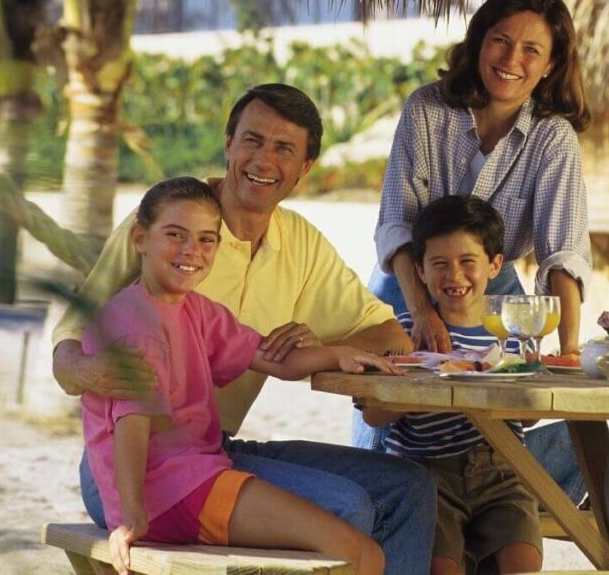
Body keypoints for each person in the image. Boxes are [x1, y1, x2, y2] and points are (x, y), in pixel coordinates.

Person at [52, 84, 436, 574]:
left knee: (409, 488)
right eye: (252, 140)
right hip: (139, 470)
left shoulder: (297, 244)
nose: (264, 159)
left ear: (306, 167)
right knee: (347, 507)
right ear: (228, 144)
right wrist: (91, 372)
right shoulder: (166, 223)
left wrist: (329, 348)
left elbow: (386, 334)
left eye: (284, 148)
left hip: (214, 449)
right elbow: (71, 345)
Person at [86, 177, 398, 574]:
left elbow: (275, 359)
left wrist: (340, 354)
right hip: (169, 495)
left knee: (356, 546)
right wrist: (130, 517)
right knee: (360, 554)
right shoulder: (135, 323)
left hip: (197, 475)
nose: (191, 251)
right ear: (139, 237)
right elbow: (132, 424)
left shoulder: (195, 309)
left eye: (206, 240)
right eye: (175, 235)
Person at [358, 0, 592, 504]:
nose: (512, 59)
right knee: (390, 413)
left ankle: (486, 504)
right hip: (407, 275)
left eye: (532, 49)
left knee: (492, 421)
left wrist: (570, 349)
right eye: (500, 40)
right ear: (479, 41)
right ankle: (388, 508)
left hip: (494, 280)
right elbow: (397, 221)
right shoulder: (426, 109)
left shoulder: (554, 136)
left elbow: (563, 250)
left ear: (551, 65)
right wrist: (421, 310)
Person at [363, 195, 542, 574]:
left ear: (494, 266)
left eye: (468, 262)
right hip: (426, 474)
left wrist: (507, 386)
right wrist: (418, 387)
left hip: (502, 471)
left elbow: (529, 418)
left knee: (521, 564)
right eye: (439, 264)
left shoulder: (513, 337)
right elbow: (374, 416)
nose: (454, 276)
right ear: (420, 271)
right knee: (441, 567)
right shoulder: (402, 335)